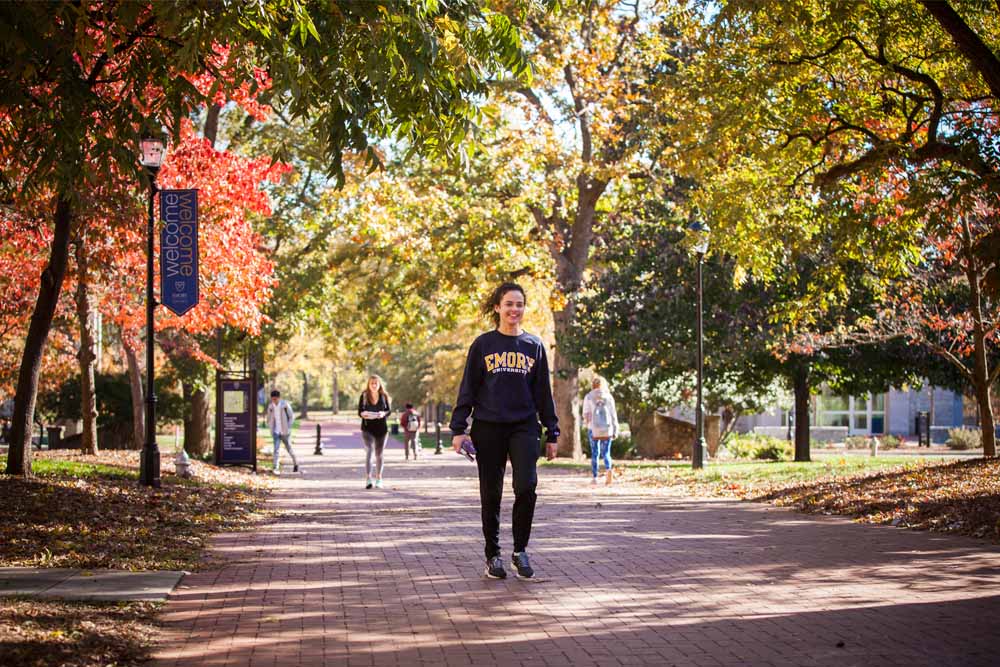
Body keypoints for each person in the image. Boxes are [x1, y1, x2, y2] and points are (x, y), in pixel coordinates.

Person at [450, 282, 559, 580]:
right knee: (491, 493)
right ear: (497, 307)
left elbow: (543, 394)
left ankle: (520, 551)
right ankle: (493, 555)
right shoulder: (483, 345)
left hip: (524, 426)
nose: (514, 309)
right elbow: (468, 389)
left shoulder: (533, 346)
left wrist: (552, 432)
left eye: (519, 304)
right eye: (509, 304)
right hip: (488, 427)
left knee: (526, 486)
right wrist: (459, 429)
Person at [582, 377, 619, 485]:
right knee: (606, 453)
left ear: (593, 385)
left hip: (593, 429)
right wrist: (615, 429)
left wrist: (587, 424)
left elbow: (586, 414)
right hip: (607, 429)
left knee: (595, 453)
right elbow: (613, 415)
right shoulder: (609, 397)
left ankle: (595, 477)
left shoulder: (588, 397)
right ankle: (609, 473)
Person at [358, 375, 391, 489]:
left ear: (379, 384)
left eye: (376, 383)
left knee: (379, 454)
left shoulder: (384, 396)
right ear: (368, 384)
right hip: (367, 428)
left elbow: (388, 411)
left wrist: (383, 414)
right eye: (371, 383)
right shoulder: (364, 396)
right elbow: (360, 411)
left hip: (381, 429)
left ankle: (379, 479)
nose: (373, 385)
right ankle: (368, 479)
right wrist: (363, 414)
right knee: (369, 451)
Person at [265, 390, 299, 475]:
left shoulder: (285, 405)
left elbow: (291, 417)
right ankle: (275, 467)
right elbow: (268, 418)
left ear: (279, 398)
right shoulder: (270, 407)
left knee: (289, 449)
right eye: (273, 399)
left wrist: (288, 427)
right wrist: (270, 426)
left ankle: (296, 463)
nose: (274, 401)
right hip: (276, 432)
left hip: (285, 432)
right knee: (276, 450)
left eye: (276, 399)